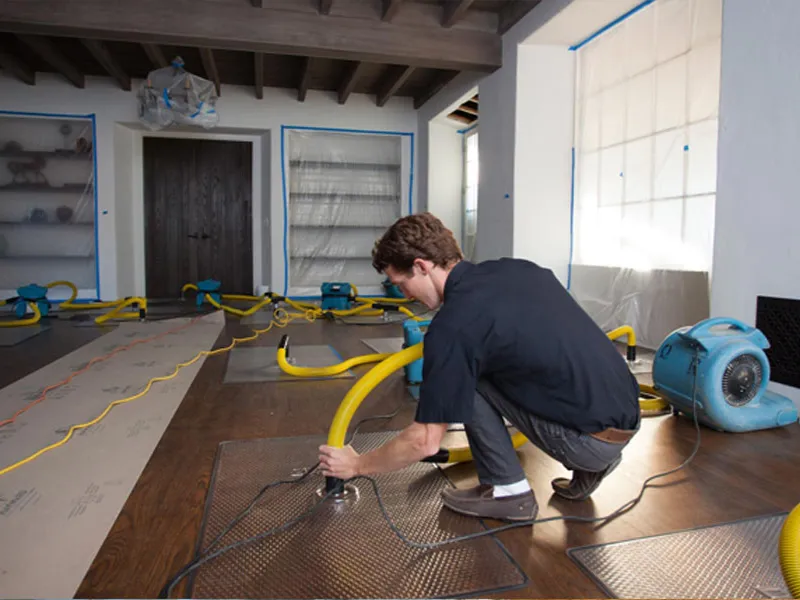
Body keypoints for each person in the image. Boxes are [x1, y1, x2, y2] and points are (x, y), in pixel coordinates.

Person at [319, 213, 641, 521]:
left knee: (468, 376)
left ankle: (508, 492)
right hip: (628, 414)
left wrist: (356, 465)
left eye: (400, 284)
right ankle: (595, 465)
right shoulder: (521, 269)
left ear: (421, 266)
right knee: (505, 365)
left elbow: (425, 442)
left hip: (588, 442)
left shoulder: (453, 325)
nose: (404, 295)